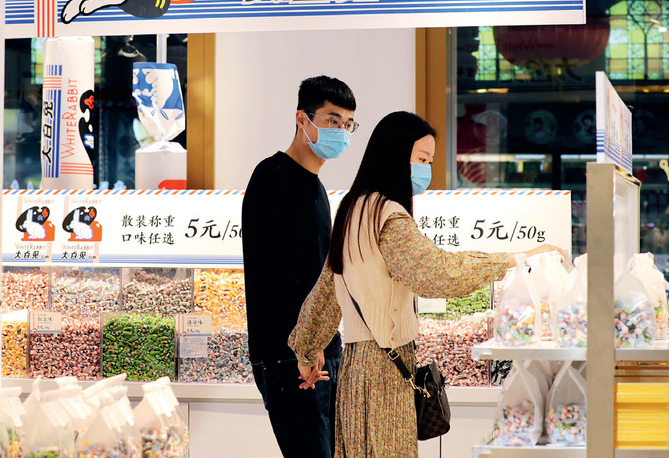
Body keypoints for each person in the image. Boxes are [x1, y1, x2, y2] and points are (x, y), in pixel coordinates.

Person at [288, 111, 564, 458]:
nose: (425, 169)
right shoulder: (388, 216)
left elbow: (326, 292)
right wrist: (516, 258)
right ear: (395, 155)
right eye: (421, 159)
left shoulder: (353, 208)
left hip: (355, 369)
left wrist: (306, 350)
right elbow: (436, 273)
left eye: (429, 161)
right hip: (383, 369)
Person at [242, 75, 357, 458]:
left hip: (321, 348)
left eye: (347, 124)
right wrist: (306, 345)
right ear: (302, 118)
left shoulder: (317, 185)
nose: (341, 131)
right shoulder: (271, 177)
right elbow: (276, 274)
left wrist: (321, 340)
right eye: (332, 120)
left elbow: (319, 273)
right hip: (289, 353)